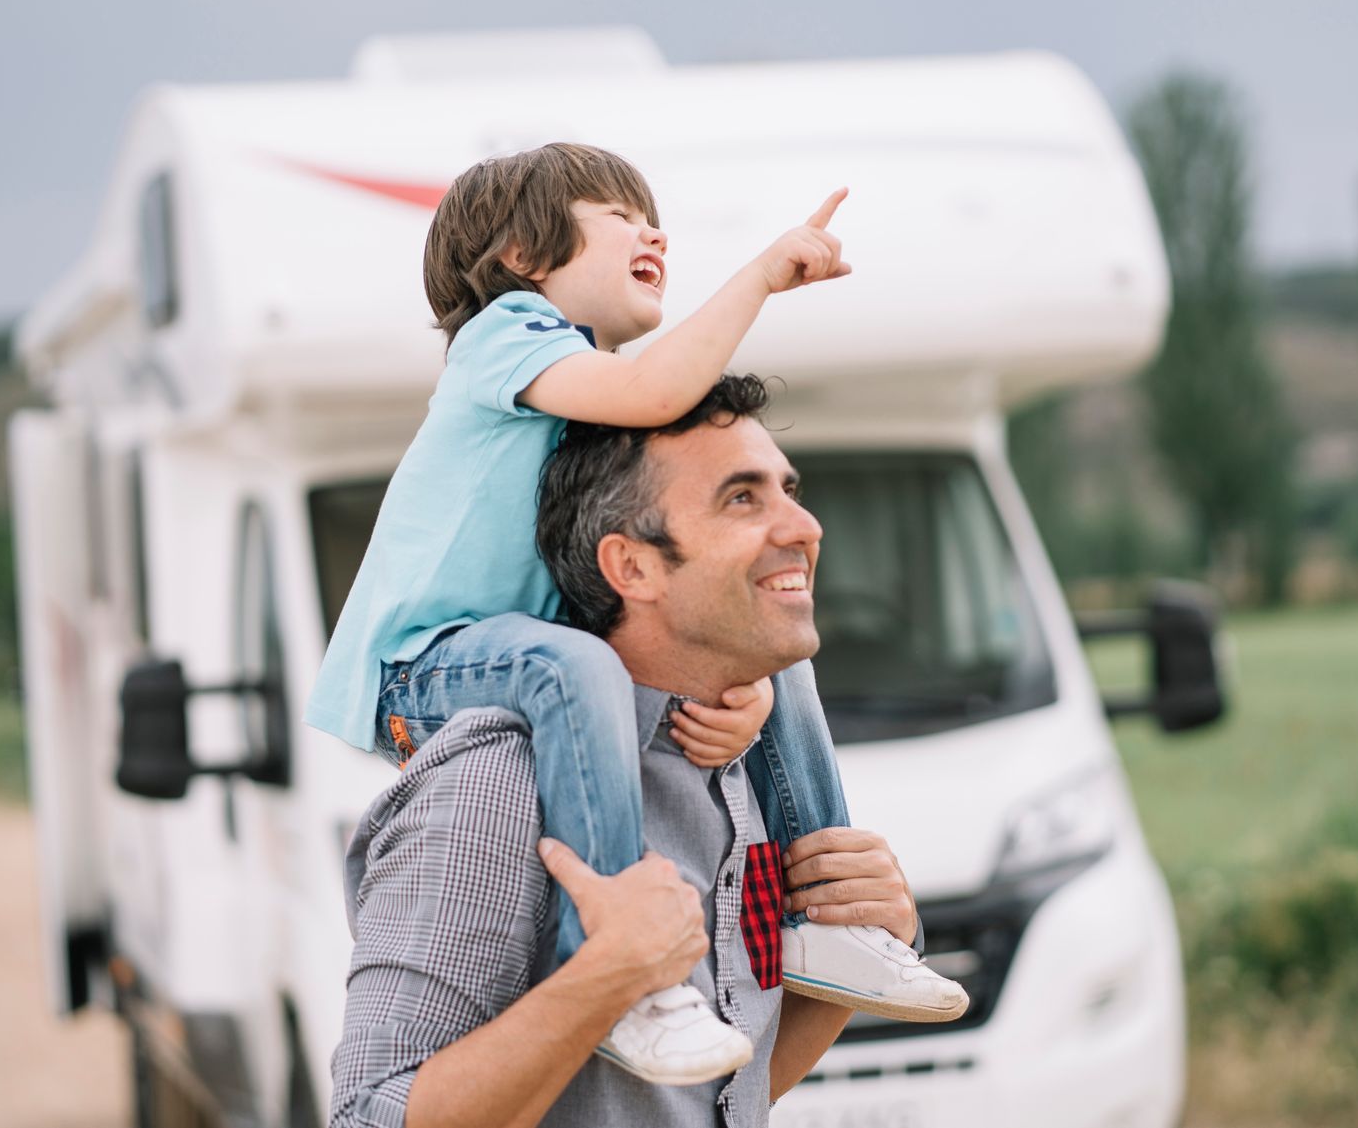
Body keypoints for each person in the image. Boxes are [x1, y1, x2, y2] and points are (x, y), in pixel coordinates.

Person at [307, 145, 964, 1082]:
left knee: (770, 657)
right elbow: (661, 389)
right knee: (576, 670)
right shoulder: (507, 335)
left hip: (513, 648)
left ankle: (823, 920)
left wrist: (753, 701)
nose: (651, 230)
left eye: (652, 214)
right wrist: (764, 274)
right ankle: (617, 960)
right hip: (419, 664)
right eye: (616, 214)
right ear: (520, 258)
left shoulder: (581, 384)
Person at [330, 375, 947, 1127]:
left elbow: (717, 1097)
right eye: (742, 498)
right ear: (632, 566)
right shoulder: (496, 784)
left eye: (789, 490)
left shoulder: (747, 762)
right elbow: (366, 1115)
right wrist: (605, 979)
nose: (804, 525)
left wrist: (864, 929)